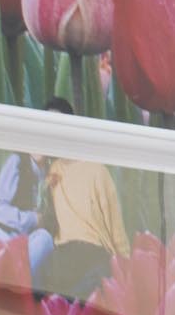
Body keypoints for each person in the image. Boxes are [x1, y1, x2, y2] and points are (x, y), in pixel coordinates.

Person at [32, 99, 126, 299]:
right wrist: (39, 162)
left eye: (58, 127)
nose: (53, 134)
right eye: (48, 129)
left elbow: (116, 229)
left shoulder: (97, 170)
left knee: (83, 293)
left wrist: (125, 269)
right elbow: (39, 211)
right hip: (62, 256)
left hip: (94, 253)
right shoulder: (53, 171)